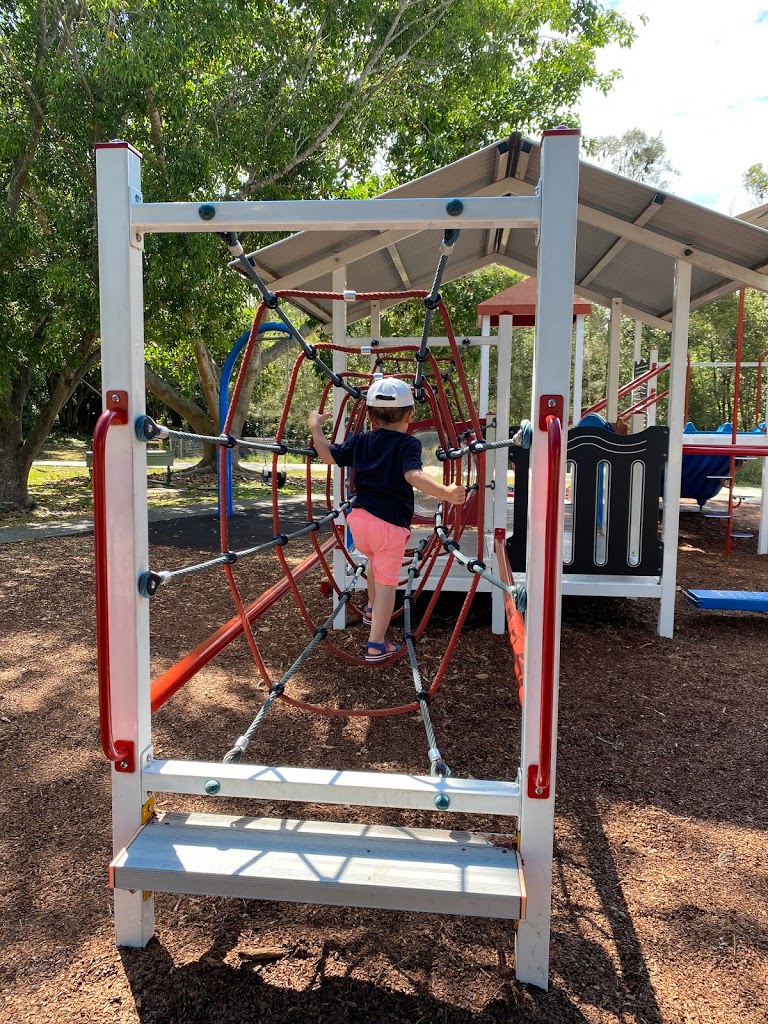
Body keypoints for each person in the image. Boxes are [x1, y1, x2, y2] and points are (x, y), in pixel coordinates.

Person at [308, 376, 466, 664]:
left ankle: (370, 610)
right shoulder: (408, 444)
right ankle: (376, 645)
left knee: (372, 562)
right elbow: (413, 475)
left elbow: (328, 456)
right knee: (387, 586)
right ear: (409, 416)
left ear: (369, 416)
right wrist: (445, 492)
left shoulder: (361, 440)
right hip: (388, 526)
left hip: (359, 520)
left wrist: (315, 427)